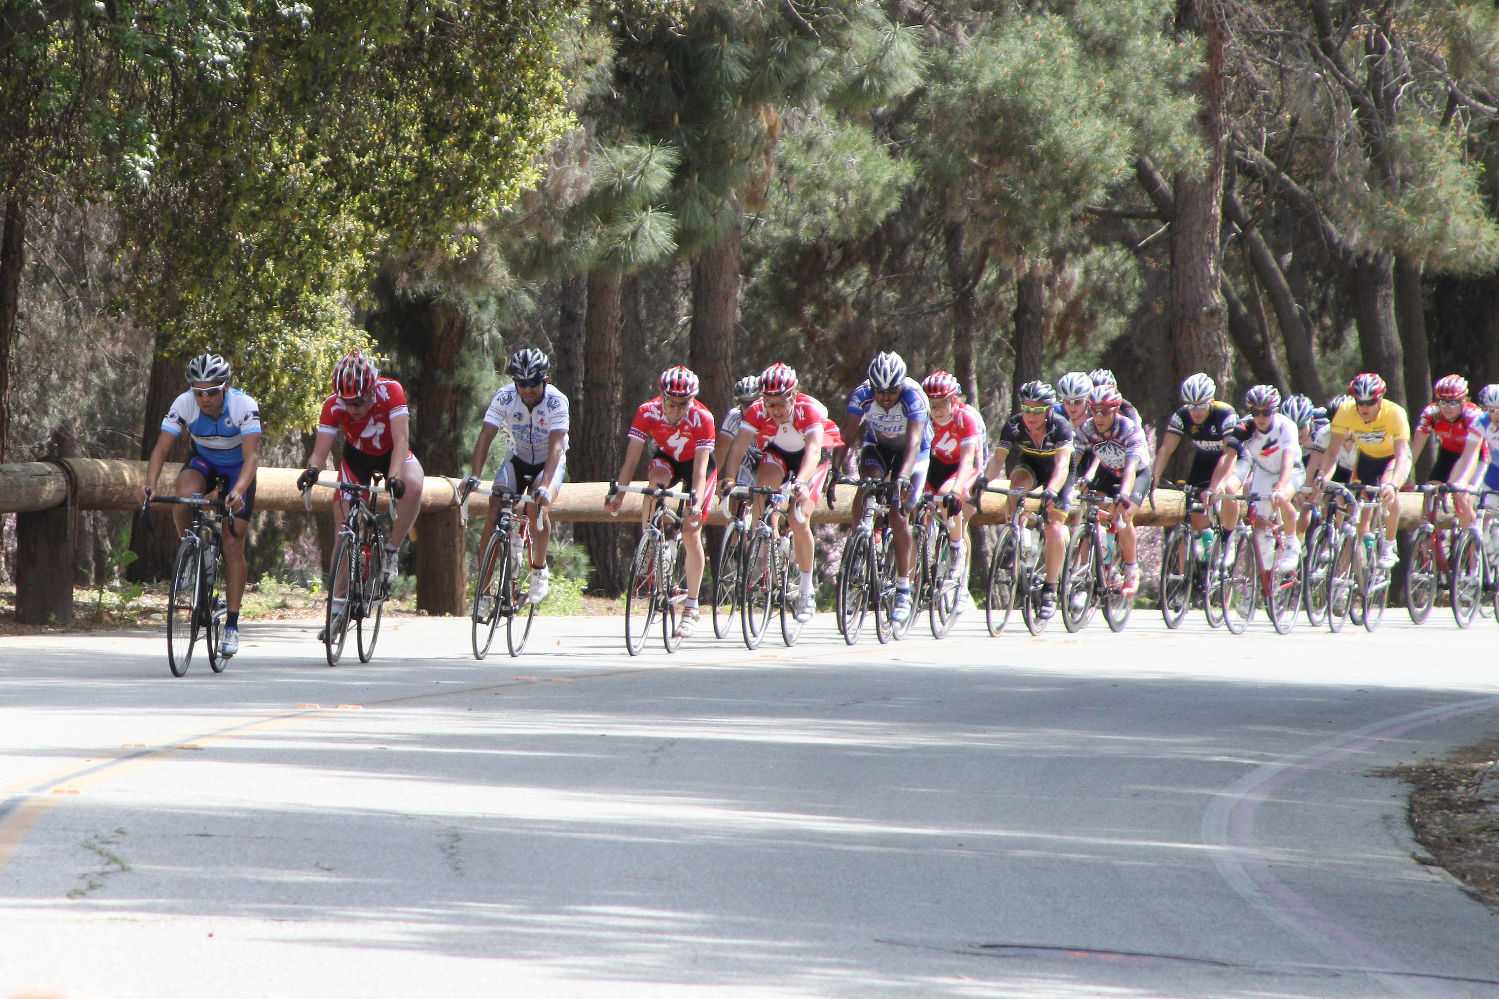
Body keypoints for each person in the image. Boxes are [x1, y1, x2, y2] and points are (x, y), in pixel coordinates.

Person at [296, 350, 426, 636]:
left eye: (359, 401)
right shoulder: (333, 404)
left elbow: (402, 439)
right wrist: (312, 470)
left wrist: (394, 477)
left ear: (372, 389)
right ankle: (336, 611)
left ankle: (391, 549)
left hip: (392, 454)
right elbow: (320, 451)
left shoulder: (391, 391)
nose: (353, 408)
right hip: (356, 460)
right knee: (343, 531)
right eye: (347, 402)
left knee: (414, 485)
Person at [140, 352, 261, 658]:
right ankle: (193, 551)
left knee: (233, 545)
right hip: (204, 461)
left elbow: (252, 458)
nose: (204, 399)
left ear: (226, 387)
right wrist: (150, 484)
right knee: (183, 496)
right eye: (198, 392)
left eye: (212, 392)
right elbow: (160, 449)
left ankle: (231, 626)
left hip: (238, 469)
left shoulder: (244, 405)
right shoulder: (184, 403)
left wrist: (239, 491)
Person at [718, 362, 842, 622]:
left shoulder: (808, 409)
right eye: (769, 403)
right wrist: (729, 478)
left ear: (793, 396)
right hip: (779, 454)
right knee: (762, 490)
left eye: (781, 403)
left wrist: (801, 482)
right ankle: (764, 549)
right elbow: (738, 447)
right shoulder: (757, 410)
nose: (774, 410)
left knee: (798, 518)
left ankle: (806, 589)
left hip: (812, 458)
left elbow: (813, 451)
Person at [604, 366, 718, 639]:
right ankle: (649, 542)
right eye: (671, 403)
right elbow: (632, 458)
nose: (676, 410)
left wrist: (695, 503)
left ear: (691, 400)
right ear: (661, 397)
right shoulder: (647, 411)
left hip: (698, 467)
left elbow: (700, 471)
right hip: (668, 459)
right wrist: (619, 494)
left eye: (683, 404)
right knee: (654, 485)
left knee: (691, 532)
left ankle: (692, 607)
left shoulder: (703, 417)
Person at [461, 348, 569, 614]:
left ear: (545, 380)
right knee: (494, 509)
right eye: (521, 383)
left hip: (549, 461)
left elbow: (556, 446)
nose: (527, 389)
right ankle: (483, 594)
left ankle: (539, 569)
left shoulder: (557, 401)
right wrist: (475, 475)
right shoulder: (505, 396)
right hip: (517, 458)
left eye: (533, 383)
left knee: (536, 507)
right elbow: (485, 436)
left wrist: (545, 486)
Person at [838, 351, 931, 624]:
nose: (885, 397)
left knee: (898, 513)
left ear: (901, 385)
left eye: (891, 391)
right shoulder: (862, 394)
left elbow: (914, 444)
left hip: (913, 452)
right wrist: (833, 471)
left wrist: (903, 477)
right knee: (866, 487)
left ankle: (903, 589)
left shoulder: (914, 397)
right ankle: (860, 547)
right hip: (878, 446)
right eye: (879, 391)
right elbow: (846, 435)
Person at [977, 380, 1076, 618]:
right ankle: (1014, 533)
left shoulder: (1060, 426)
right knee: (1016, 485)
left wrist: (1052, 489)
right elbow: (998, 460)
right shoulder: (1014, 425)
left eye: (1037, 410)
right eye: (1026, 409)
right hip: (1031, 465)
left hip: (1059, 474)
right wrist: (984, 480)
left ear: (1048, 409)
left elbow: (1063, 465)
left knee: (1053, 528)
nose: (1031, 416)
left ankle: (1050, 589)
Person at [1312, 373, 1412, 570]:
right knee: (1358, 508)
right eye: (1360, 402)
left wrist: (1393, 485)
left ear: (1380, 399)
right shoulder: (1346, 411)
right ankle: (1360, 562)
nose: (1365, 407)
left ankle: (1389, 545)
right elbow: (1331, 452)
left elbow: (1401, 455)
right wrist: (1322, 476)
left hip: (1393, 458)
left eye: (1370, 402)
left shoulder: (1395, 413)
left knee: (1387, 490)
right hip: (1366, 458)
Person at [1208, 385, 1304, 571]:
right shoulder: (1245, 426)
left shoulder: (1286, 426)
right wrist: (1215, 486)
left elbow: (1288, 460)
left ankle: (1292, 543)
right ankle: (1262, 571)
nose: (1260, 417)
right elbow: (1229, 455)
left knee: (1282, 497)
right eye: (1255, 412)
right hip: (1264, 471)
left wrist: (1280, 488)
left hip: (1291, 470)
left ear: (1275, 410)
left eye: (1266, 412)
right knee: (1259, 524)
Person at [1075, 382, 1151, 595]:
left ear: (1116, 410)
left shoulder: (1129, 429)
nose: (1098, 417)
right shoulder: (1087, 428)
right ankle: (1102, 565)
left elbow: (1131, 468)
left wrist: (1124, 494)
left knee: (1124, 516)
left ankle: (1131, 569)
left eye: (1105, 412)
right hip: (1108, 471)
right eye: (1093, 411)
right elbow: (1073, 461)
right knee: (1095, 510)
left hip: (1136, 474)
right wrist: (1070, 484)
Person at [1151, 372, 1239, 548]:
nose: (1196, 411)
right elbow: (1166, 449)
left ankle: (1228, 540)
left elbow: (1229, 453)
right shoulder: (1182, 415)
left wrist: (1216, 485)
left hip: (1232, 459)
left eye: (1201, 405)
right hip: (1204, 460)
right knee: (1195, 512)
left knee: (1227, 490)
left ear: (1211, 401)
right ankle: (1202, 550)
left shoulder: (1225, 413)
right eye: (1191, 405)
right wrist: (1154, 477)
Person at [921, 371, 982, 590]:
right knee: (917, 508)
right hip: (936, 464)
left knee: (947, 498)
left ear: (953, 400)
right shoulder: (924, 417)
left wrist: (956, 491)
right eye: (932, 404)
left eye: (941, 404)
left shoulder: (965, 417)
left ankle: (957, 548)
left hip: (963, 466)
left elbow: (968, 459)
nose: (935, 410)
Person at [1409, 374, 1485, 531]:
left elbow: (1470, 455)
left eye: (1453, 402)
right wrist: (1400, 476)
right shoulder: (1431, 414)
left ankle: (1472, 538)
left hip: (1476, 456)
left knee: (1462, 497)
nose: (1447, 407)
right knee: (1430, 492)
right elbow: (1414, 450)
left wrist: (1461, 482)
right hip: (1448, 454)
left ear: (1463, 401)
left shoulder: (1473, 415)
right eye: (1442, 402)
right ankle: (1427, 538)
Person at [713, 374, 765, 518]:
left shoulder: (772, 415)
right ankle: (735, 528)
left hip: (769, 460)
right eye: (744, 403)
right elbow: (721, 450)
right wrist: (710, 481)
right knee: (736, 499)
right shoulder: (734, 417)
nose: (749, 408)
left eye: (753, 403)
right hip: (748, 460)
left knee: (768, 510)